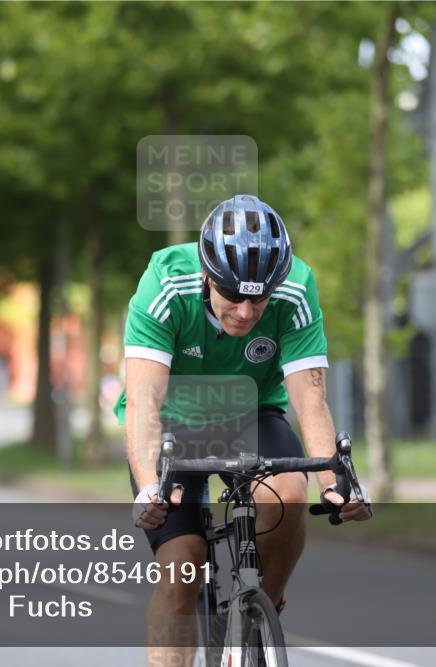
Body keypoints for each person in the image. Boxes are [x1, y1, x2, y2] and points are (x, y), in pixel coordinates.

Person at [114, 194, 372, 666]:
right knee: (181, 568)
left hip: (249, 412)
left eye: (260, 297)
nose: (247, 311)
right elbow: (144, 404)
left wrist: (334, 484)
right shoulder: (166, 282)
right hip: (171, 423)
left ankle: (259, 610)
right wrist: (150, 486)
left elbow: (309, 398)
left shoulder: (296, 287)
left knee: (290, 493)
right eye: (233, 295)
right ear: (209, 276)